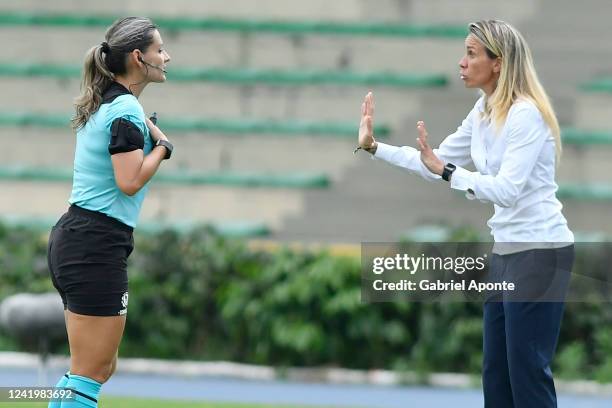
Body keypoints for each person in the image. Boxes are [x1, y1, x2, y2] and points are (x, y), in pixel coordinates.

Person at [356, 20, 573, 408]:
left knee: (527, 372)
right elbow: (432, 162)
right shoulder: (483, 111)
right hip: (506, 255)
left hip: (540, 253)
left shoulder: (525, 115)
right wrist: (375, 147)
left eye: (471, 54)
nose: (462, 62)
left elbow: (506, 190)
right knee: (496, 375)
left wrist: (449, 172)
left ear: (498, 63)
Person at [46, 17, 172, 408]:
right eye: (159, 50)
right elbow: (129, 181)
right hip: (93, 244)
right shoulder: (125, 110)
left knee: (97, 367)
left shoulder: (113, 102)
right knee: (91, 371)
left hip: (84, 240)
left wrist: (149, 135)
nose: (167, 57)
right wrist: (164, 148)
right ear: (138, 57)